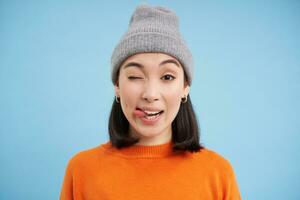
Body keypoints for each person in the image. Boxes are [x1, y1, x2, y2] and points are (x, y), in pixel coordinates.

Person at [60, 4, 241, 200]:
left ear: (185, 87)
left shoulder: (218, 173)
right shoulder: (81, 170)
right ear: (117, 86)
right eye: (135, 76)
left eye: (168, 77)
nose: (151, 94)